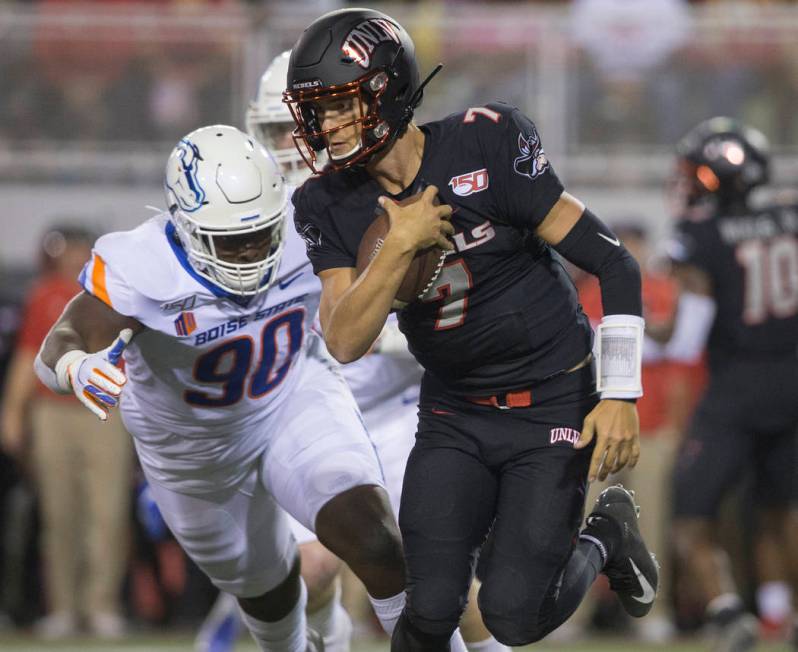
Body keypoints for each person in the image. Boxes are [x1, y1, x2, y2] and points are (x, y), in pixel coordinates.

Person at [284, 7, 659, 650]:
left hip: (551, 404)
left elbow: (614, 263)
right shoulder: (326, 201)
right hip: (455, 409)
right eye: (318, 110)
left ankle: (606, 536)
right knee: (426, 610)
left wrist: (621, 392)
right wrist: (398, 246)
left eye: (343, 103)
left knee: (512, 617)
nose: (329, 125)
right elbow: (344, 340)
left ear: (389, 90)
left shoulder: (486, 142)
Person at [32, 125, 415, 652]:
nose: (254, 249)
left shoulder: (310, 222)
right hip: (192, 453)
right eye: (233, 240)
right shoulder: (144, 266)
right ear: (185, 226)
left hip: (290, 399)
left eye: (262, 231)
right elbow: (61, 341)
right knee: (267, 592)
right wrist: (77, 366)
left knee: (374, 538)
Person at [195, 50, 508, 652]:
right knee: (312, 572)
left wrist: (400, 320)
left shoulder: (393, 185)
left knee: (439, 583)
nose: (296, 141)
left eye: (311, 120)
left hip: (394, 407)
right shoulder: (246, 213)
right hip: (305, 411)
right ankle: (329, 631)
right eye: (279, 128)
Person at [653, 117, 798, 651]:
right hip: (793, 382)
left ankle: (726, 610)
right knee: (782, 509)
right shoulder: (791, 213)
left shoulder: (703, 234)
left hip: (737, 388)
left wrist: (646, 326)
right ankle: (789, 618)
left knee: (690, 511)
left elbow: (683, 336)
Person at [1, 225, 132, 639]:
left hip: (106, 411)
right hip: (52, 412)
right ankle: (62, 607)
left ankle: (101, 606)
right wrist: (13, 411)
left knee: (107, 512)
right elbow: (28, 353)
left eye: (78, 249)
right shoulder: (45, 293)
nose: (73, 256)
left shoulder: (118, 292)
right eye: (66, 250)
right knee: (59, 514)